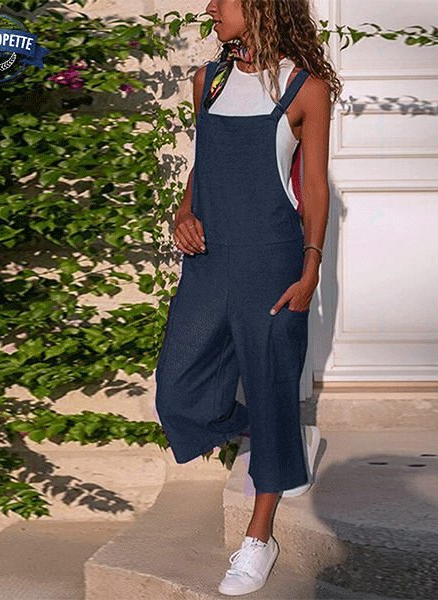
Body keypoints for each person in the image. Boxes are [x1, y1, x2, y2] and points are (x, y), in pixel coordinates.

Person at [155, 0, 341, 595]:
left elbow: (315, 187)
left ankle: (259, 537)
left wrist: (311, 268)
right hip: (208, 260)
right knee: (177, 391)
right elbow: (202, 167)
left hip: (273, 260)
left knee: (271, 382)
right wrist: (183, 213)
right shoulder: (207, 81)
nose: (209, 6)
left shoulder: (305, 89)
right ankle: (275, 431)